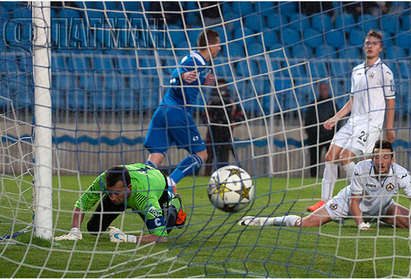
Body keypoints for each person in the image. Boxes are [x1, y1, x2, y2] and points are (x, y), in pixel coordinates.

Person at [307, 29, 396, 212]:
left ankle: (364, 194)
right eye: (367, 43)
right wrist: (335, 117)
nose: (370, 46)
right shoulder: (356, 70)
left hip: (371, 123)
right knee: (330, 156)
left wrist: (389, 127)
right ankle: (325, 201)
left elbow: (391, 100)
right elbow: (352, 100)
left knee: (345, 158)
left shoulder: (385, 72)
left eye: (374, 43)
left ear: (380, 48)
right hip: (353, 121)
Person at [239, 140, 411, 230]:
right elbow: (354, 201)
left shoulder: (400, 173)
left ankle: (381, 220)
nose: (381, 162)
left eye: (385, 157)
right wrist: (360, 224)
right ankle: (264, 221)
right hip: (349, 205)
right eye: (377, 157)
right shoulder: (362, 168)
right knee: (305, 224)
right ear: (372, 158)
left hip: (383, 207)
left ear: (392, 159)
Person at [144, 29, 221, 193]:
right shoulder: (196, 59)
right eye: (219, 44)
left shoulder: (198, 61)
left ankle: (142, 187)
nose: (220, 48)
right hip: (177, 112)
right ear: (211, 45)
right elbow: (175, 74)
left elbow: (185, 74)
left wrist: (202, 80)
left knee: (156, 155)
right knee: (201, 154)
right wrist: (182, 76)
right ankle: (170, 183)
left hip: (163, 109)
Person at [54, 163, 186, 243]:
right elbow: (82, 202)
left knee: (167, 227)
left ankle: (174, 201)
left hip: (157, 183)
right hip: (134, 181)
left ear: (128, 188)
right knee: (94, 229)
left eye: (116, 193)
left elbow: (160, 237)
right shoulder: (103, 180)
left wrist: (126, 238)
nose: (112, 197)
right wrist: (74, 230)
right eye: (108, 192)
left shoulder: (146, 198)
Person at [202, 79, 244, 176]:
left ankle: (223, 177)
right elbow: (204, 117)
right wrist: (212, 122)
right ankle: (206, 176)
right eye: (219, 86)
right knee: (209, 158)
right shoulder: (210, 103)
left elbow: (241, 117)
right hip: (212, 135)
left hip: (226, 135)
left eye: (223, 87)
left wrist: (232, 122)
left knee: (224, 159)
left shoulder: (232, 103)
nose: (221, 89)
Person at [305, 83, 340, 177]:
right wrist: (311, 134)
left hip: (330, 137)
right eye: (322, 89)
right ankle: (313, 177)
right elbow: (307, 121)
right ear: (319, 90)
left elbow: (338, 121)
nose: (324, 90)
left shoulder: (333, 105)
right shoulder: (313, 104)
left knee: (333, 159)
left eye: (326, 88)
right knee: (314, 160)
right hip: (315, 138)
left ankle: (335, 177)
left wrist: (335, 135)